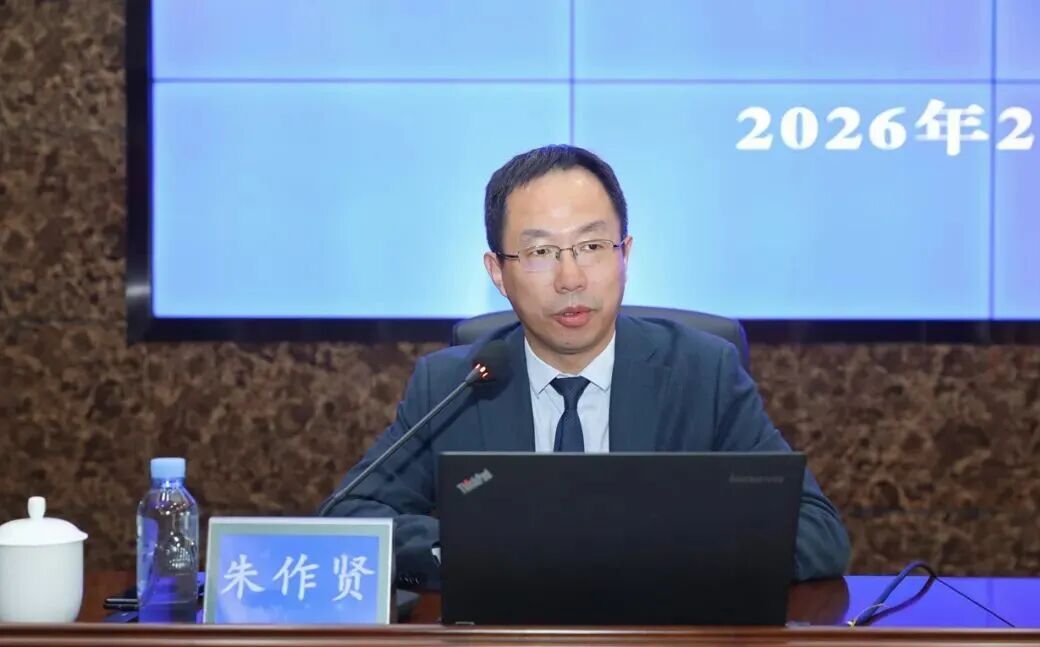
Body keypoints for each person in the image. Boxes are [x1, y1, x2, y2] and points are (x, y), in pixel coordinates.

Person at [323, 144, 850, 588]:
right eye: (541, 252)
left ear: (625, 255)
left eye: (592, 246)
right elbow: (348, 519)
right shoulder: (455, 385)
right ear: (498, 273)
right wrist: (472, 550)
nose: (571, 278)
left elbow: (816, 531)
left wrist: (641, 553)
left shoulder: (702, 373)